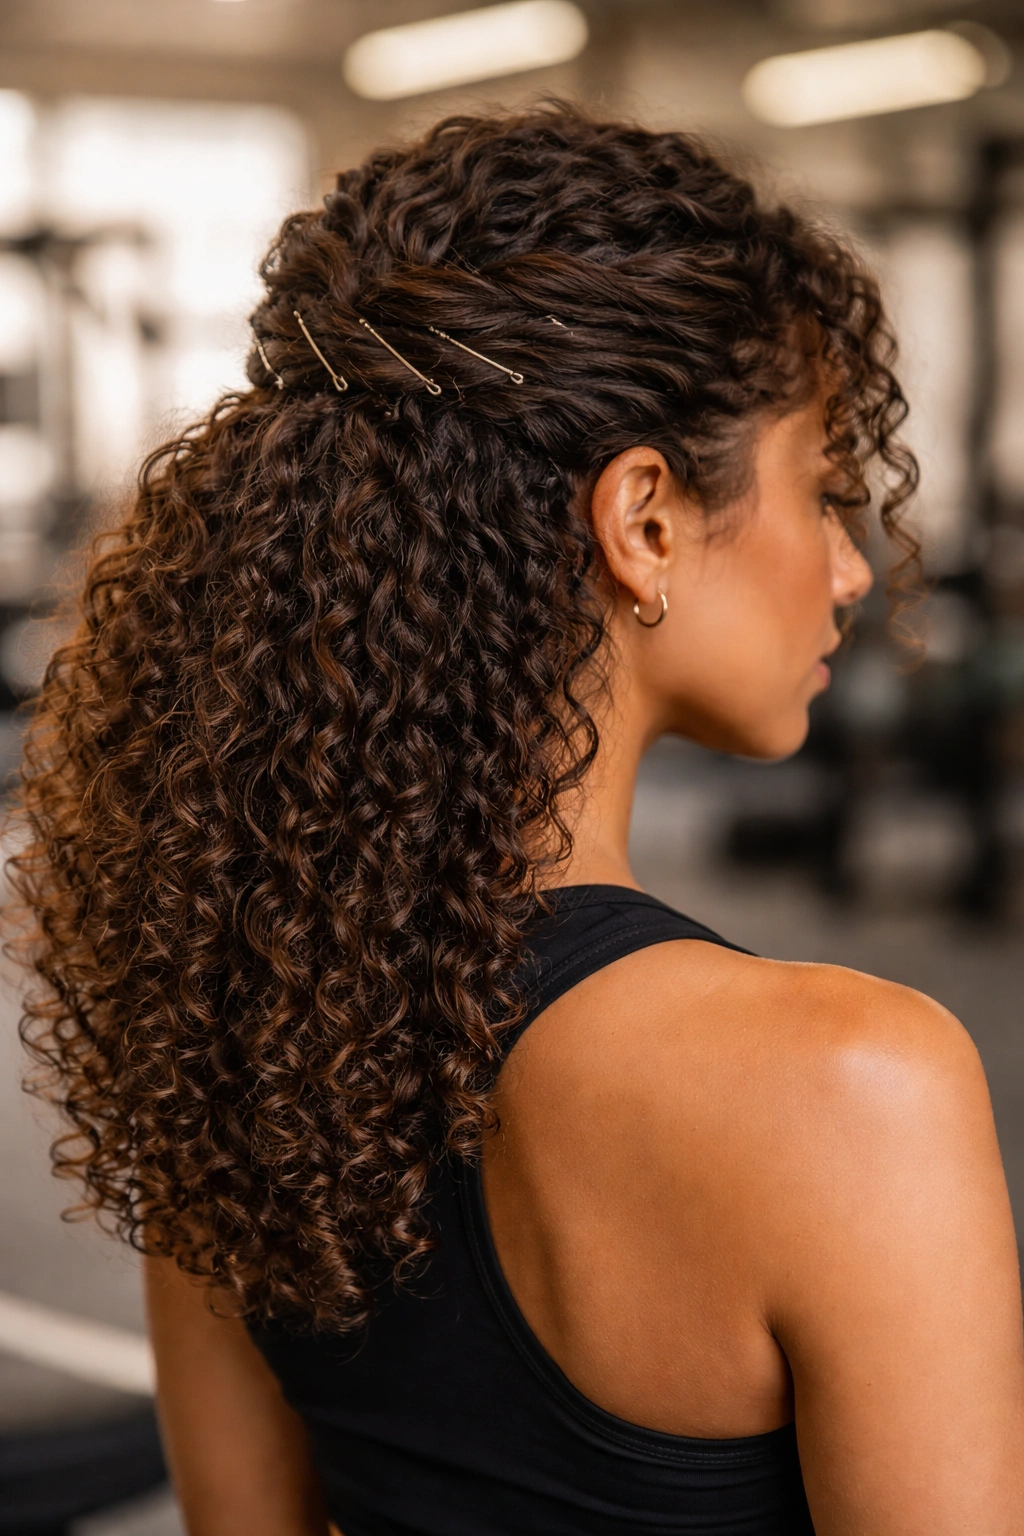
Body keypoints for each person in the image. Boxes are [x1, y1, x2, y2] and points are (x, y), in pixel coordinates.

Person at [11, 105, 1024, 1536]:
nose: (854, 572)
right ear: (645, 521)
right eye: (823, 488)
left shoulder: (241, 1034)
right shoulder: (855, 1086)